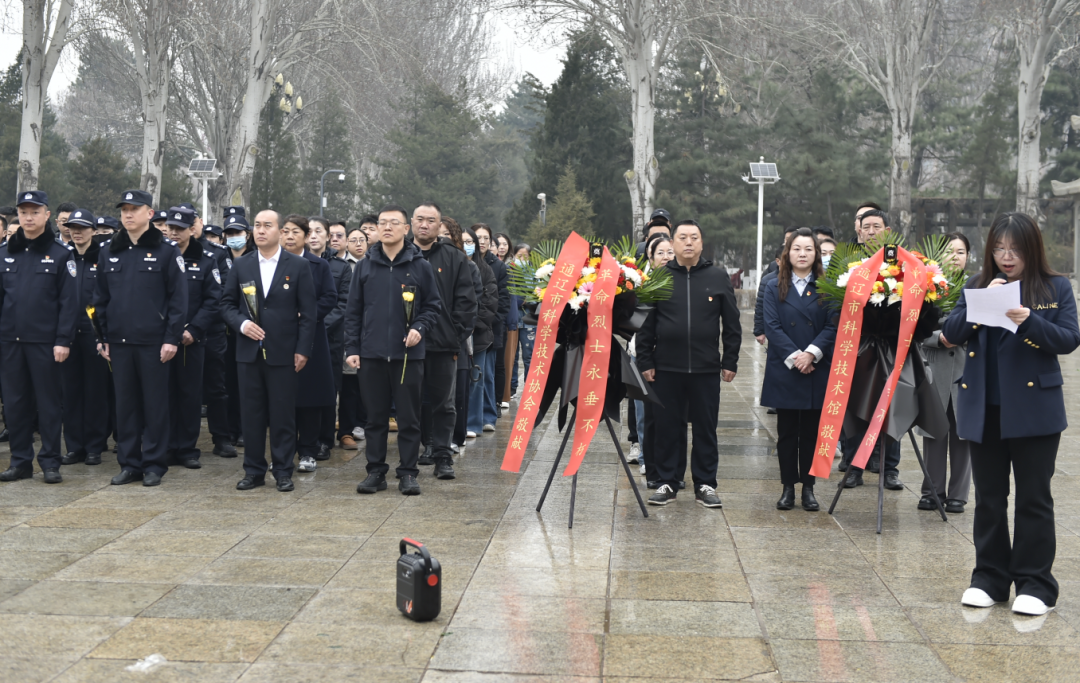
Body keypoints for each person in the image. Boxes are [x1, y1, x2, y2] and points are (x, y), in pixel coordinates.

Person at [943, 212, 1079, 616]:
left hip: (1035, 410)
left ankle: (1037, 584)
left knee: (1034, 498)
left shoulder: (1055, 287)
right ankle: (989, 578)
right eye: (999, 249)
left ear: (1031, 250)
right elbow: (951, 332)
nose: (1006, 256)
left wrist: (1028, 321)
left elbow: (1069, 339)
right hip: (984, 408)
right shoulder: (977, 284)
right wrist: (979, 303)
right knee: (988, 498)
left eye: (1015, 249)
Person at [637, 220, 741, 508]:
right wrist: (645, 360)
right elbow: (645, 324)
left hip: (706, 369)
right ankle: (668, 481)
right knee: (668, 427)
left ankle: (705, 483)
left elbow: (732, 324)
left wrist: (729, 360)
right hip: (666, 368)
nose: (688, 243)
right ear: (673, 243)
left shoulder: (718, 277)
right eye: (682, 237)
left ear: (702, 243)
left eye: (694, 237)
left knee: (706, 428)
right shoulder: (659, 277)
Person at [347, 204, 442, 496]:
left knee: (408, 418)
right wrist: (352, 347)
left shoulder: (419, 266)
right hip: (372, 354)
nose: (387, 227)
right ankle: (376, 471)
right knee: (374, 418)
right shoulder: (365, 265)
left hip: (407, 356)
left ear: (406, 228)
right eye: (382, 223)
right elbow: (354, 311)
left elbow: (433, 306)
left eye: (394, 223)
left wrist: (419, 328)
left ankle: (408, 473)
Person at [95, 189, 187, 487]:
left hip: (154, 343)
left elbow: (178, 300)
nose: (128, 214)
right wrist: (102, 337)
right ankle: (130, 463)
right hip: (119, 343)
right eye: (124, 210)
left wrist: (172, 338)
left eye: (135, 209)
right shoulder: (109, 250)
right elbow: (100, 298)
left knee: (155, 406)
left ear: (150, 213)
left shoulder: (166, 250)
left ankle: (154, 464)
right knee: (126, 406)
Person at [222, 209, 315, 492]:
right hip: (248, 352)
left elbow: (309, 313)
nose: (261, 231)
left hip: (283, 352)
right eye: (257, 226)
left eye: (268, 226)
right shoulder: (242, 265)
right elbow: (226, 305)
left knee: (282, 414)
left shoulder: (297, 266)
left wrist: (303, 349)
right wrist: (241, 324)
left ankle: (283, 470)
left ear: (280, 231)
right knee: (251, 414)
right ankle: (253, 470)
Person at [0, 191, 77, 484]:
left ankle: (50, 461)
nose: (28, 218)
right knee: (15, 404)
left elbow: (68, 303)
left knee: (47, 404)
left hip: (46, 343)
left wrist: (63, 340)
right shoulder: (4, 253)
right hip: (10, 342)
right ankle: (20, 461)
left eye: (34, 212)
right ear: (17, 216)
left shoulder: (60, 254)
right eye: (23, 212)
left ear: (47, 215)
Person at [761, 228, 835, 511]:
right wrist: (796, 357)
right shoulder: (772, 285)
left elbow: (833, 325)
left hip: (816, 366)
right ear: (787, 253)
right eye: (796, 249)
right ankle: (788, 486)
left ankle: (809, 488)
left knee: (812, 434)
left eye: (808, 249)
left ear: (816, 254)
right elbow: (772, 326)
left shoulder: (827, 285)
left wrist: (812, 354)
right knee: (787, 433)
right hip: (786, 368)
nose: (802, 254)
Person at [411, 203, 477, 479]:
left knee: (443, 403)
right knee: (410, 402)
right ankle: (410, 457)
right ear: (411, 223)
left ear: (440, 226)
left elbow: (467, 301)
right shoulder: (402, 255)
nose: (424, 225)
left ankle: (442, 455)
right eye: (419, 220)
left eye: (431, 221)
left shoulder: (454, 257)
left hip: (443, 344)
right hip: (406, 344)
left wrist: (455, 334)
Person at [841, 209, 902, 489]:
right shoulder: (846, 261)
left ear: (887, 230)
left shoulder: (900, 260)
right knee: (854, 407)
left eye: (878, 226)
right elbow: (833, 301)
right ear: (859, 231)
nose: (872, 231)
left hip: (891, 344)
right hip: (858, 344)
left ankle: (890, 468)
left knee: (892, 407)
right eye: (867, 227)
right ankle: (854, 466)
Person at [917, 232, 972, 514]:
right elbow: (912, 327)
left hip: (967, 369)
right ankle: (931, 491)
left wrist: (961, 335)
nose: (955, 257)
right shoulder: (926, 286)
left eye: (961, 252)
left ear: (968, 257)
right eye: (950, 252)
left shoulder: (979, 287)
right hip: (935, 366)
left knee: (964, 434)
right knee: (934, 432)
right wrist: (938, 338)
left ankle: (958, 495)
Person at [164, 207, 221, 470]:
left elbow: (213, 300)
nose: (173, 233)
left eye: (179, 228)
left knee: (189, 394)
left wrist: (194, 330)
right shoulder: (160, 255)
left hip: (191, 339)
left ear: (191, 230)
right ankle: (164, 446)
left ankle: (187, 448)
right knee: (162, 395)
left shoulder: (207, 259)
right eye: (170, 227)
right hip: (162, 338)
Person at [281, 215, 337, 474]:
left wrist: (308, 313)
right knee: (283, 397)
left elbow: (330, 297)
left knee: (311, 397)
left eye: (295, 232)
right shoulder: (274, 263)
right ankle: (283, 452)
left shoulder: (318, 265)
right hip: (280, 337)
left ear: (304, 236)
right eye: (285, 231)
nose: (289, 236)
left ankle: (308, 451)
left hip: (312, 336)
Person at [60, 209, 111, 468]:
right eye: (72, 227)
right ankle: (74, 447)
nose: (76, 232)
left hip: (94, 335)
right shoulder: (63, 256)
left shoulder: (103, 258)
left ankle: (94, 446)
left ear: (93, 230)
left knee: (95, 392)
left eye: (82, 227)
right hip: (68, 334)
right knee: (71, 392)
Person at [307, 215, 352, 458]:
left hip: (329, 339)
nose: (313, 235)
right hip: (298, 337)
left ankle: (325, 440)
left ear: (328, 236)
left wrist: (316, 325)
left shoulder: (341, 267)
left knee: (327, 389)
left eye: (319, 231)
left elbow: (343, 303)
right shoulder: (294, 262)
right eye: (310, 231)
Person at [464, 227, 499, 439]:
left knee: (476, 379)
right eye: (463, 241)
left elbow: (490, 304)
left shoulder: (485, 270)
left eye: (470, 241)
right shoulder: (453, 266)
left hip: (478, 335)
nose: (466, 245)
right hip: (456, 333)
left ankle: (474, 423)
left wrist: (472, 323)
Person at [473, 223, 509, 428]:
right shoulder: (463, 261)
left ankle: (488, 415)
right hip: (468, 328)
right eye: (478, 237)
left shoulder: (498, 266)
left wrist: (484, 321)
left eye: (486, 238)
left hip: (490, 330)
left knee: (487, 374)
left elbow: (502, 303)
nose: (482, 242)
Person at [221, 214, 251, 451]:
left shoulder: (253, 259)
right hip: (224, 332)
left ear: (247, 235)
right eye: (230, 234)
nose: (234, 238)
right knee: (227, 385)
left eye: (238, 233)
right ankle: (230, 430)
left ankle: (244, 429)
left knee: (247, 386)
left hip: (249, 331)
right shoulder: (218, 258)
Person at [338, 227, 368, 446]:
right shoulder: (341, 267)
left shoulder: (372, 264)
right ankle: (345, 428)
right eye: (353, 240)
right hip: (344, 329)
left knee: (362, 383)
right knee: (347, 383)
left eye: (362, 240)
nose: (358, 244)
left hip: (367, 331)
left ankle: (361, 423)